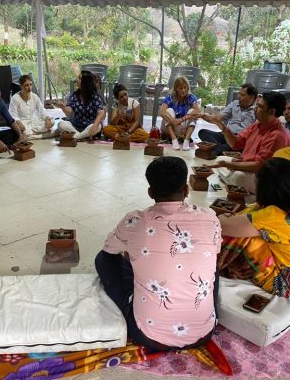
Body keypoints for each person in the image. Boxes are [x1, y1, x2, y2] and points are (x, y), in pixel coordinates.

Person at [95, 156, 221, 351]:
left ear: (150, 192)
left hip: (147, 336)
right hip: (203, 333)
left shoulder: (135, 221)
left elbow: (109, 250)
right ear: (186, 190)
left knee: (103, 259)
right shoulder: (210, 217)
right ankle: (209, 311)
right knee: (212, 260)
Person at [218, 158, 290, 298]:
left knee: (247, 238)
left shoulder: (273, 215)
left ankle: (214, 264)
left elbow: (221, 226)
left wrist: (227, 218)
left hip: (285, 282)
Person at [209, 91, 290, 194]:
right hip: (247, 165)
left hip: (262, 178)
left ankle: (234, 181)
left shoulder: (277, 135)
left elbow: (259, 166)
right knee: (219, 159)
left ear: (272, 112)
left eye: (260, 106)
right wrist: (223, 128)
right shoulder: (258, 124)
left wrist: (231, 165)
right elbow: (236, 144)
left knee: (237, 176)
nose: (255, 109)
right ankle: (232, 181)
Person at [197, 84, 258, 155]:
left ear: (252, 97)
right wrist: (204, 116)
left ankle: (217, 149)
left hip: (240, 139)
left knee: (242, 145)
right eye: (239, 94)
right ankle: (222, 149)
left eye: (242, 95)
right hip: (226, 134)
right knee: (203, 132)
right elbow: (218, 118)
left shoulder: (257, 110)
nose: (239, 97)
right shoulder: (234, 104)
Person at [57, 70, 105, 140]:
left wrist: (95, 125)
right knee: (61, 124)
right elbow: (69, 111)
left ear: (85, 82)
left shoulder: (95, 97)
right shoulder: (74, 96)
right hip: (75, 126)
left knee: (98, 126)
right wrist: (63, 107)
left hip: (89, 127)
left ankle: (76, 137)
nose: (77, 80)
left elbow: (101, 113)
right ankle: (80, 136)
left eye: (79, 78)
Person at [160, 76, 200, 151]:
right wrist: (174, 121)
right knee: (168, 111)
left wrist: (181, 120)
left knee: (193, 112)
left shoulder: (191, 97)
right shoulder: (170, 97)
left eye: (185, 88)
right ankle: (174, 139)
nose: (183, 90)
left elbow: (198, 111)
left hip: (182, 127)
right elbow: (162, 112)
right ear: (176, 89)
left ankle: (186, 141)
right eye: (180, 88)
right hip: (169, 127)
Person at [9, 75, 55, 139]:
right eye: (26, 85)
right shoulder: (15, 98)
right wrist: (18, 121)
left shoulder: (34, 96)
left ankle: (33, 135)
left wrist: (47, 118)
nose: (30, 88)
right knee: (23, 132)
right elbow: (12, 115)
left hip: (33, 122)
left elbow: (42, 110)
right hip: (22, 124)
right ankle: (44, 135)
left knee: (52, 121)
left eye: (30, 84)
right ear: (21, 86)